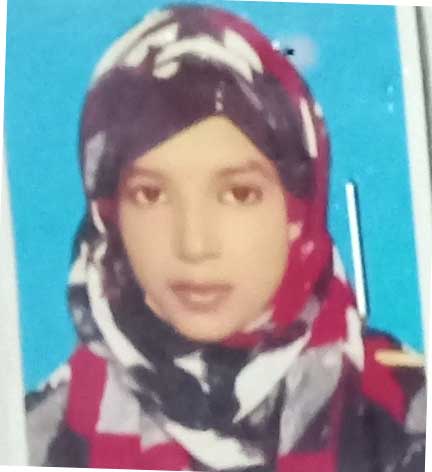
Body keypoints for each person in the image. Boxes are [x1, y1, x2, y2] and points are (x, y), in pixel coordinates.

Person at [26, 4, 426, 471]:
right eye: (151, 194)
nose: (194, 246)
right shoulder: (39, 436)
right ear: (108, 215)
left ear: (298, 210)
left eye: (238, 194)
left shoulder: (407, 415)